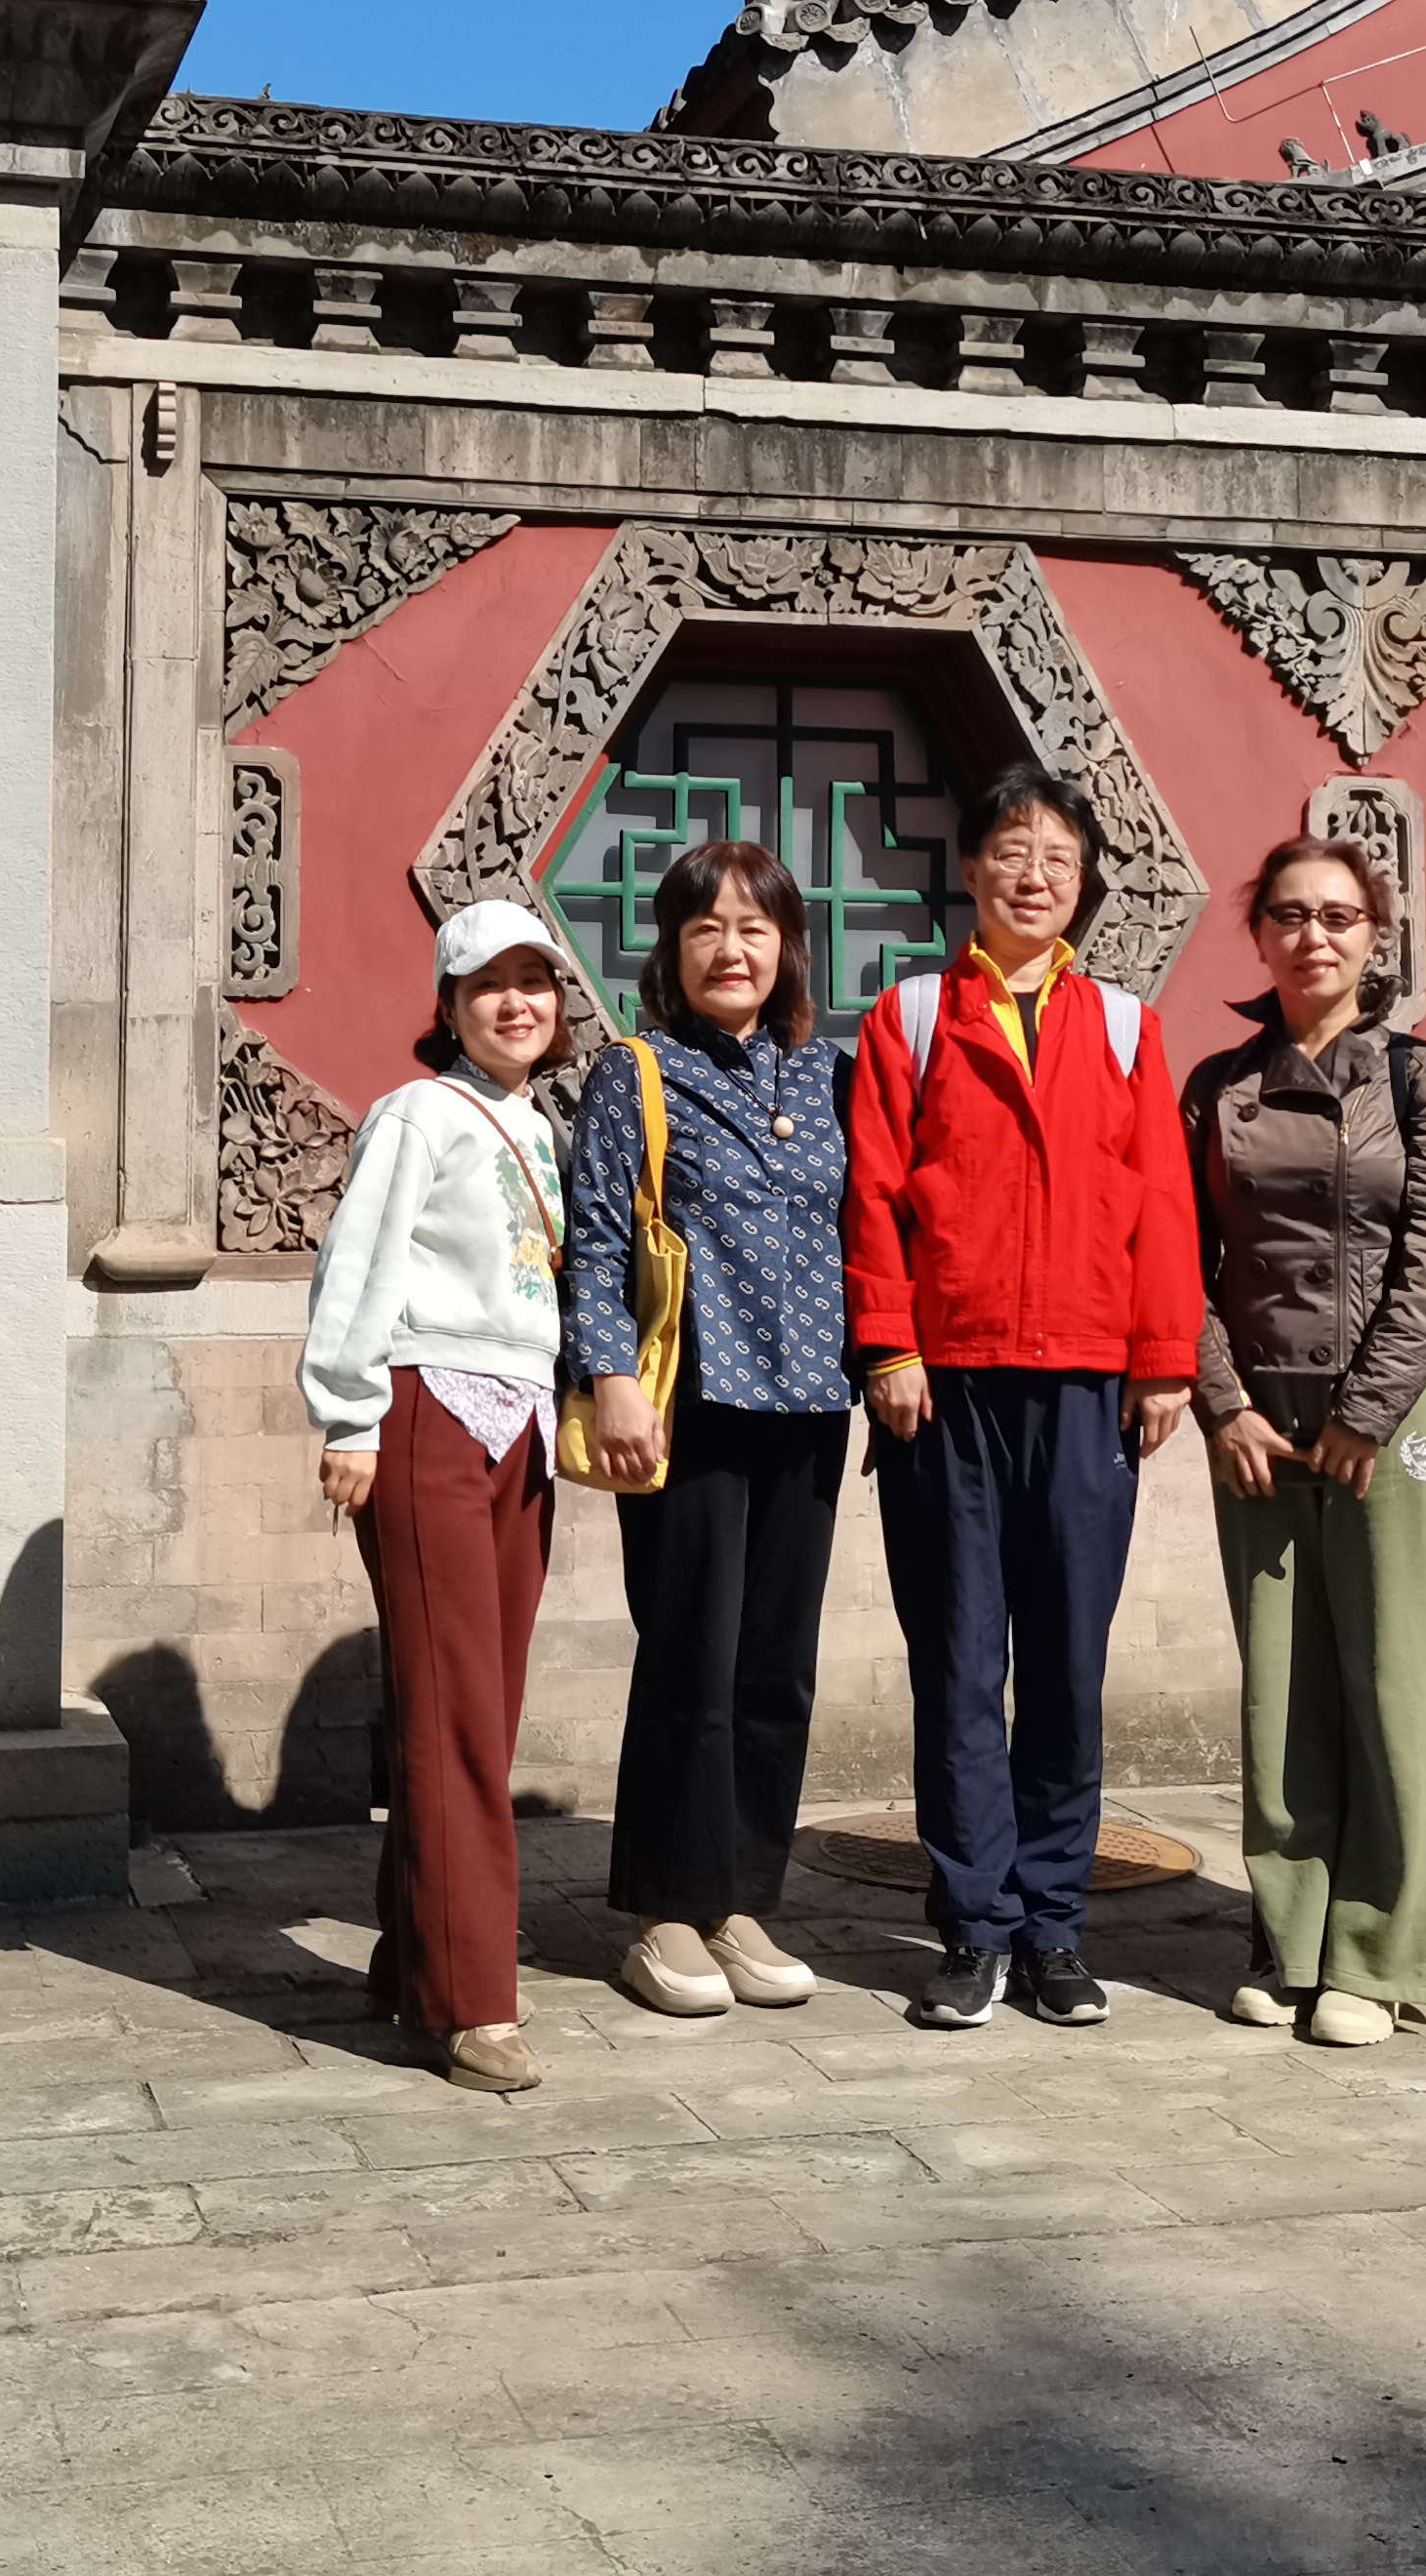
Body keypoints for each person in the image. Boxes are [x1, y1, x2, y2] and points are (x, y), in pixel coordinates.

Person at [844, 759, 1203, 2031]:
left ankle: (1053, 1924)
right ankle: (972, 1926)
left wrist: (1165, 1357)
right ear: (971, 871)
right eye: (1011, 850)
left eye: (1058, 855)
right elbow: (875, 1188)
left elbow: (1164, 1200)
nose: (1034, 874)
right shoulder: (910, 1018)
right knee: (956, 1665)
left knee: (1064, 1667)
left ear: (1084, 881)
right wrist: (887, 1345)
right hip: (945, 1389)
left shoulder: (1126, 1027)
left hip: (1087, 1388)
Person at [1180, 835, 1426, 2049]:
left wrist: (1369, 1410)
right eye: (1291, 916)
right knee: (1282, 1683)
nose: (1314, 936)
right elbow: (1181, 1257)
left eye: (1339, 917)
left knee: (1389, 1678)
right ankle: (1289, 1939)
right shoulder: (1218, 1085)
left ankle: (1379, 1953)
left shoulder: (1420, 1078)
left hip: (1387, 1421)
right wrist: (1223, 1404)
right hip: (1260, 1421)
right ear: (1259, 935)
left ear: (1375, 936)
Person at [565, 836, 855, 2022]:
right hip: (689, 1403)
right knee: (692, 1655)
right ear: (671, 951)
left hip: (813, 1402)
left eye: (754, 928)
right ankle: (667, 1911)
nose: (731, 950)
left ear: (789, 948)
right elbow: (594, 1237)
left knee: (777, 1665)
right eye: (705, 929)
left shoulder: (831, 1075)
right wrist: (611, 1379)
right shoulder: (636, 1073)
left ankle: (741, 1899)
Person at [296, 899, 579, 2095]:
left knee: (480, 1706)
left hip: (523, 1425)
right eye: (489, 985)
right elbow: (357, 1259)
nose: (517, 1004)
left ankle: (414, 1945)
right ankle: (466, 2002)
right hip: (425, 1411)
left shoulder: (543, 1126)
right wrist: (350, 1415)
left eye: (535, 981)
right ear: (450, 1007)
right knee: (456, 1706)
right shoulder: (418, 1113)